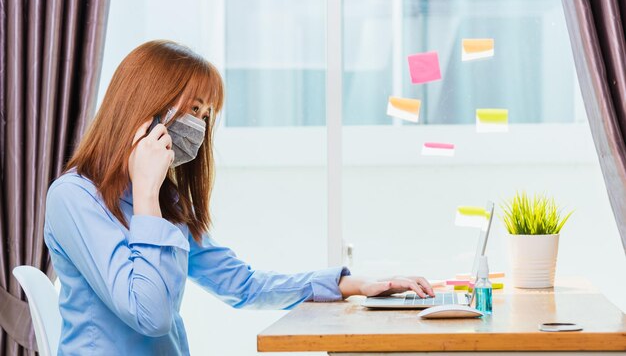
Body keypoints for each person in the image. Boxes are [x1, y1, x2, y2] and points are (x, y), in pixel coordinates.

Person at [44, 40, 435, 355]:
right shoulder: (74, 198)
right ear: (145, 108)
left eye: (206, 113)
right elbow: (151, 315)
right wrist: (147, 192)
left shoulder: (166, 202)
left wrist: (353, 284)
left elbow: (242, 285)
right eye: (192, 108)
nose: (198, 125)